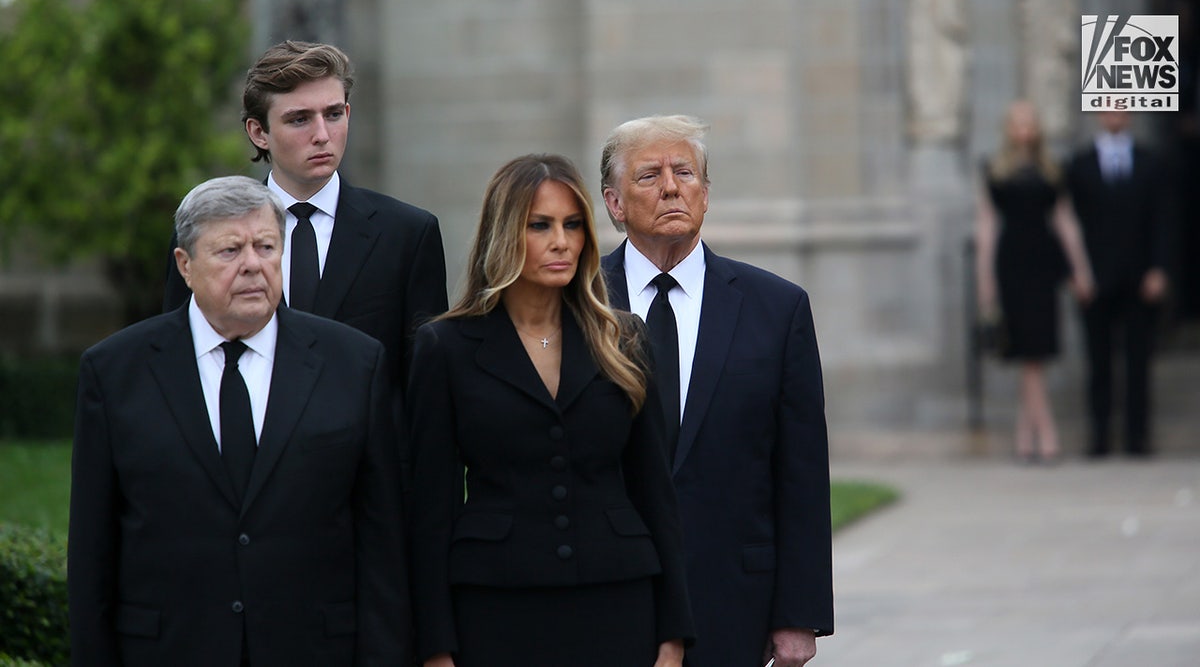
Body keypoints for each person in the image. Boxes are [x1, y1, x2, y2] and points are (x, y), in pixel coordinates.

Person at [69, 176, 409, 666]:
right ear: (185, 266)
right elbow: (91, 553)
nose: (253, 264)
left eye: (266, 246)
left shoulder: (354, 364)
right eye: (230, 250)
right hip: (169, 649)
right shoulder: (115, 371)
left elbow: (382, 547)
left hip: (314, 650)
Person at [407, 154, 694, 667]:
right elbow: (431, 509)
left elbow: (655, 491)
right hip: (496, 608)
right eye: (540, 225)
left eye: (573, 225)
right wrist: (435, 648)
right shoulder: (444, 347)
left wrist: (673, 637)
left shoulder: (622, 339)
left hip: (618, 601)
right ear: (504, 233)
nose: (561, 241)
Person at [599, 115, 834, 667]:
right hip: (608, 594)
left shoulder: (777, 309)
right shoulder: (578, 302)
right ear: (614, 204)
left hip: (733, 599)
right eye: (649, 175)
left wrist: (799, 614)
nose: (672, 186)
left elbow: (800, 470)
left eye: (685, 172)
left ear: (706, 195)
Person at [162, 40, 448, 435]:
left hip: (367, 480)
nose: (322, 134)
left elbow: (428, 395)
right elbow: (178, 370)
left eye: (333, 114)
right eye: (299, 119)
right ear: (258, 132)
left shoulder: (407, 234)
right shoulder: (206, 233)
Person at [975, 101, 1094, 463]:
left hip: (1044, 266)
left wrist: (1080, 269)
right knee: (1028, 355)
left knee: (1036, 354)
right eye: (1018, 124)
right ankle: (1046, 435)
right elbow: (986, 227)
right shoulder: (994, 171)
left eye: (1030, 123)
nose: (1024, 131)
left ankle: (1026, 435)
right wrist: (985, 281)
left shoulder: (1052, 171)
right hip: (1012, 266)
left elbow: (1066, 223)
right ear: (1009, 128)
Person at [1066, 110, 1173, 457]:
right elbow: (1070, 225)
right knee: (1098, 362)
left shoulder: (1150, 163)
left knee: (1139, 361)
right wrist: (1076, 272)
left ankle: (1137, 437)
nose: (1115, 112)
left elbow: (1163, 219)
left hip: (1138, 276)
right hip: (1094, 278)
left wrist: (1159, 267)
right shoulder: (1079, 166)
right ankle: (1099, 436)